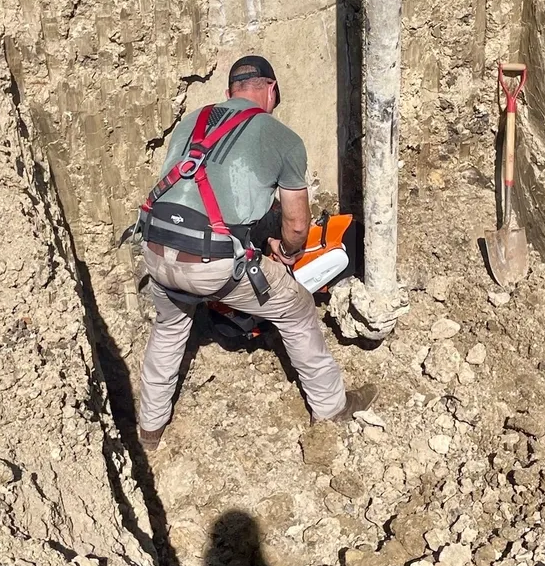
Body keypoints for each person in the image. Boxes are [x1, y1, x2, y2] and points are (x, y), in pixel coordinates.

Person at [132, 55, 373, 448]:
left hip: (156, 250)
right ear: (271, 90)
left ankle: (150, 430)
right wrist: (288, 252)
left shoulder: (192, 120)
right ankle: (332, 408)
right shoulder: (281, 136)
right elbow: (296, 225)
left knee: (170, 328)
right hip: (211, 262)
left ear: (229, 94)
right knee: (296, 310)